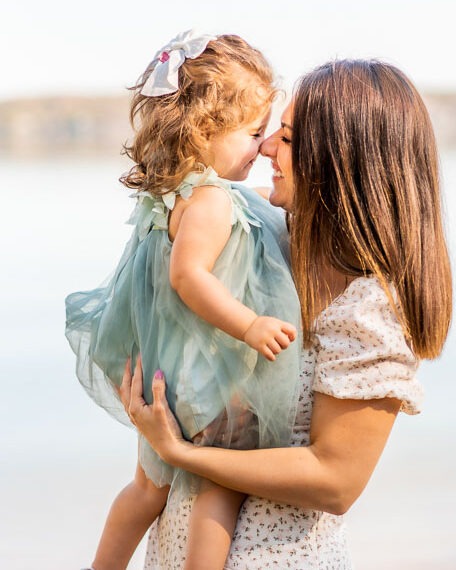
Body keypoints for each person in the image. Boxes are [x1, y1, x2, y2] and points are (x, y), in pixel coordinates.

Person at [120, 58, 453, 569]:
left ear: (341, 163)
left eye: (289, 139)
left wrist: (181, 453)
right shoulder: (264, 233)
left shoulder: (366, 309)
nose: (268, 146)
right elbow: (183, 233)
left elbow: (335, 481)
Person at [65, 31, 301, 570]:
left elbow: (251, 204)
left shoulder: (181, 191)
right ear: (205, 131)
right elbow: (188, 277)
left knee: (146, 490)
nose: (262, 148)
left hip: (165, 372)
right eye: (253, 132)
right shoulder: (212, 201)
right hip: (207, 378)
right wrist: (249, 326)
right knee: (220, 484)